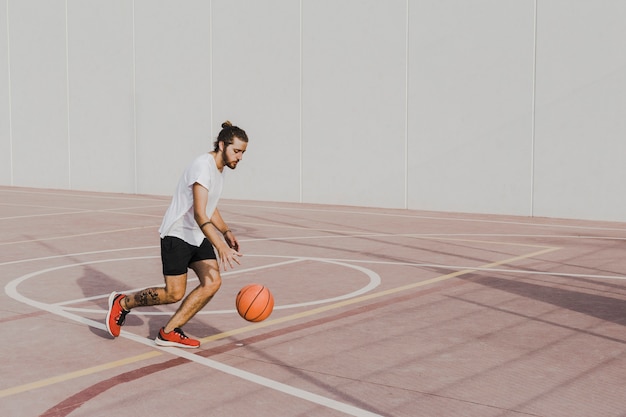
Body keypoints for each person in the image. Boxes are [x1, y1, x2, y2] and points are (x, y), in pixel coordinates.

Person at [106, 121, 249, 348]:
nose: (240, 157)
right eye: (237, 151)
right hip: (177, 235)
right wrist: (221, 246)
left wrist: (226, 231)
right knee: (173, 294)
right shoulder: (203, 166)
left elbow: (209, 206)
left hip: (197, 236)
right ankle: (122, 303)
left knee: (212, 282)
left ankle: (169, 332)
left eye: (243, 152)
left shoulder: (219, 171)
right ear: (222, 145)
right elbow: (201, 215)